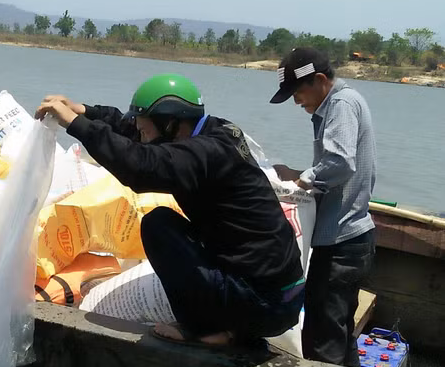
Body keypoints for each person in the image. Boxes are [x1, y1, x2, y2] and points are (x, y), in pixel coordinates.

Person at [36, 73, 304, 348]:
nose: (139, 135)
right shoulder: (214, 132)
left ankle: (201, 330)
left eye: (145, 129)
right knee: (170, 223)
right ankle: (230, 328)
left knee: (158, 226)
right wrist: (85, 111)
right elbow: (134, 133)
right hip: (280, 297)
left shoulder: (203, 153)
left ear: (171, 123)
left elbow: (139, 166)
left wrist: (75, 124)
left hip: (263, 304)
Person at [270, 47, 377, 367]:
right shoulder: (344, 102)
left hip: (342, 243)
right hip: (352, 239)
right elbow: (338, 167)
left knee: (322, 339)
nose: (296, 100)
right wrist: (298, 175)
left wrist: (301, 181)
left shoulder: (341, 104)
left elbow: (340, 162)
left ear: (319, 80)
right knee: (340, 334)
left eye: (298, 91)